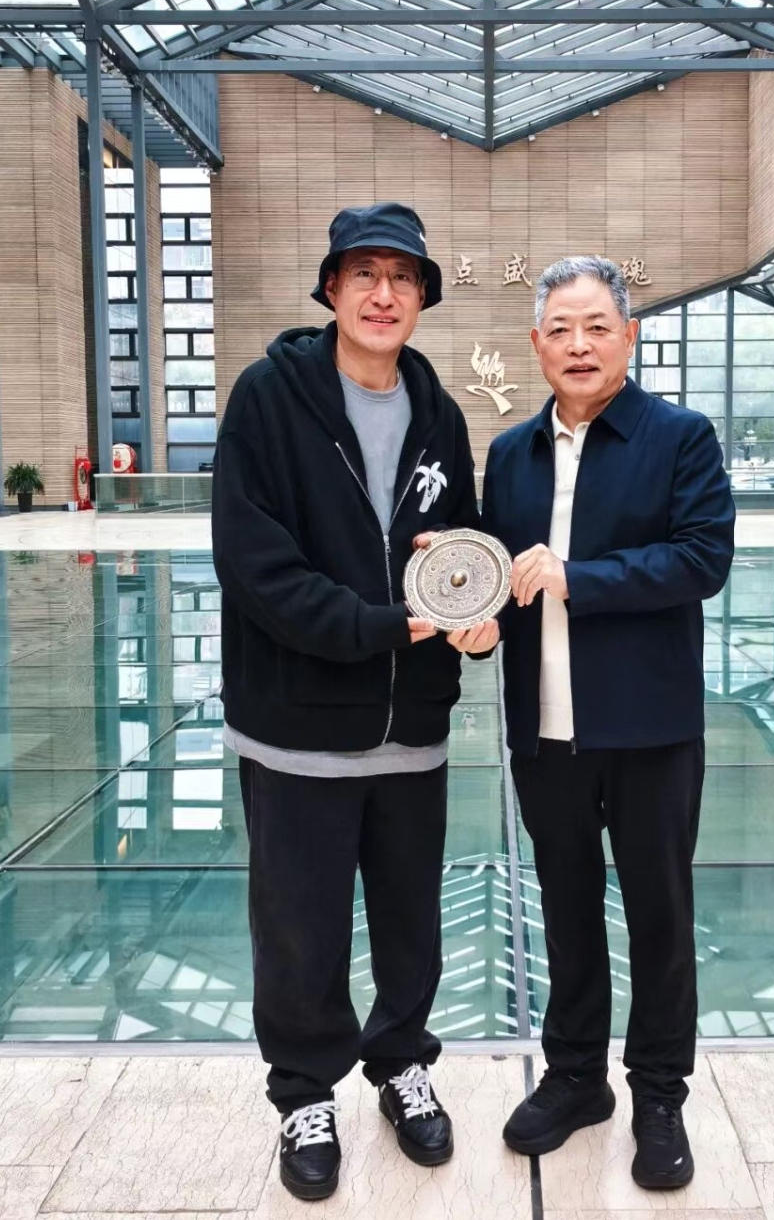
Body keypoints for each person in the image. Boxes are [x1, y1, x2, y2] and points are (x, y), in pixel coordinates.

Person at [211, 202, 497, 1202]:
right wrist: (381, 626)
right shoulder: (268, 399)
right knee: (301, 930)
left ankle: (401, 1063)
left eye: (403, 277)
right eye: (364, 274)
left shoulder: (438, 411)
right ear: (331, 288)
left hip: (411, 727)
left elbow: (459, 544)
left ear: (422, 296)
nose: (383, 294)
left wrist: (472, 612)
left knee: (411, 922)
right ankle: (303, 1093)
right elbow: (255, 567)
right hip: (296, 729)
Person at [481, 256, 735, 1190]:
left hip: (648, 728)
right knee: (565, 908)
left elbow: (702, 558)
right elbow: (499, 577)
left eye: (596, 326)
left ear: (629, 336)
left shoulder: (679, 437)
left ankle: (659, 1095)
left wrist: (577, 577)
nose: (578, 344)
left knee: (659, 916)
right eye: (560, 329)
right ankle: (577, 1077)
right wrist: (472, 607)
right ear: (536, 344)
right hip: (544, 731)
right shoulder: (510, 454)